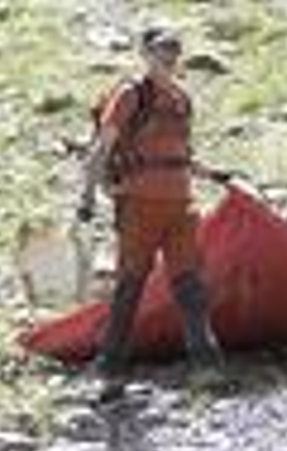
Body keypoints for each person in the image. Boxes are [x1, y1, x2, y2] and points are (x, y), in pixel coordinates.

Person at [78, 23, 224, 403]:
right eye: (162, 49)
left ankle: (207, 366)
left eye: (175, 49)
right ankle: (109, 367)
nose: (170, 55)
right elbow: (100, 150)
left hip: (180, 206)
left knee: (189, 284)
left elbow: (182, 156)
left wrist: (215, 175)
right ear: (144, 53)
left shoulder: (181, 99)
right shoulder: (130, 95)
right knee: (131, 284)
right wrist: (87, 199)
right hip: (139, 206)